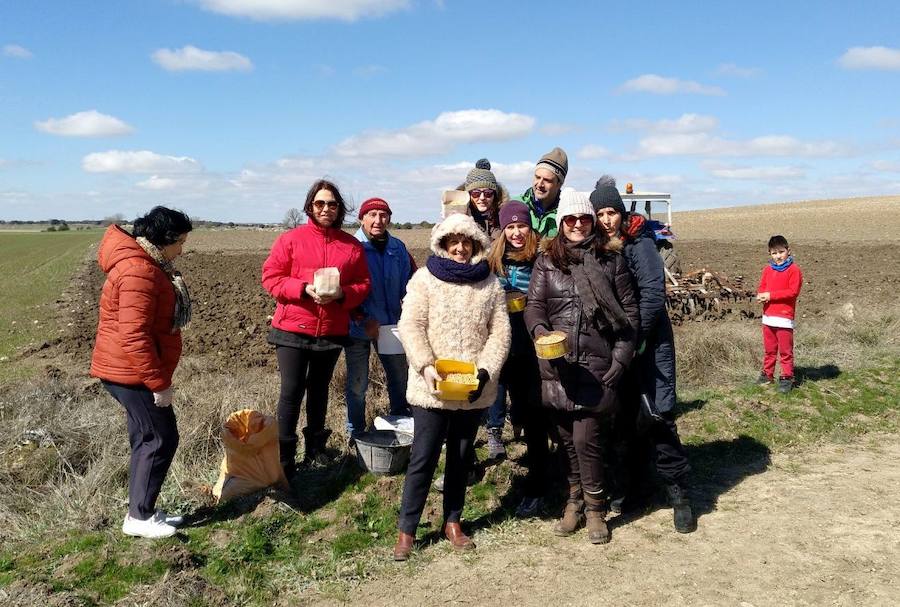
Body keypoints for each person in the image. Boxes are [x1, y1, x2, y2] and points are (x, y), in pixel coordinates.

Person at [392, 213, 511, 561]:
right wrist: (425, 366)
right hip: (431, 388)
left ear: (476, 245)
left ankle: (453, 522)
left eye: (467, 242)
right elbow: (410, 325)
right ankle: (407, 530)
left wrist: (485, 372)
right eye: (453, 242)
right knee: (423, 458)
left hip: (472, 388)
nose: (460, 248)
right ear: (443, 244)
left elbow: (500, 332)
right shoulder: (424, 280)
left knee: (460, 457)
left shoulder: (489, 283)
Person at [525, 188, 638, 544]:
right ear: (561, 224)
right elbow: (534, 305)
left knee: (586, 439)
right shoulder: (547, 261)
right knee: (566, 441)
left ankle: (595, 509)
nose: (576, 225)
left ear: (591, 222)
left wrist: (620, 361)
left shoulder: (610, 260)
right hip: (556, 367)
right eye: (570, 220)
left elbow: (630, 316)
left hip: (597, 366)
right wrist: (540, 331)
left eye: (583, 219)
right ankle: (573, 501)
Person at [592, 178, 696, 533]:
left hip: (650, 344)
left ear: (621, 213)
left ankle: (679, 493)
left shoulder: (640, 244)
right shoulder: (599, 248)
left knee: (658, 415)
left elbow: (653, 295)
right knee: (625, 420)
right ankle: (637, 487)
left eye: (612, 212)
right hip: (619, 347)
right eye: (601, 213)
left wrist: (635, 340)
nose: (607, 219)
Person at [90, 206, 193, 539]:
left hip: (125, 369)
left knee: (145, 438)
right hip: (130, 372)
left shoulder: (145, 265)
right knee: (161, 438)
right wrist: (159, 383)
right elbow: (133, 334)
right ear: (165, 240)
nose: (182, 249)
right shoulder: (140, 271)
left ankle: (142, 509)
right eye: (180, 241)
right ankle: (139, 517)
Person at [262, 179, 371, 478]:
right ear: (310, 206)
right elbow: (271, 277)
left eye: (332, 204)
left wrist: (342, 294)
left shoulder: (351, 246)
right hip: (293, 327)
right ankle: (284, 460)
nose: (326, 209)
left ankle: (315, 450)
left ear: (340, 209)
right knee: (292, 391)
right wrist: (303, 288)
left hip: (332, 329)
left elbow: (363, 284)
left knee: (320, 390)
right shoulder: (291, 240)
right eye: (320, 203)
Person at [486, 199, 551, 517]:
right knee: (518, 412)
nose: (516, 232)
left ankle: (541, 485)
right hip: (504, 349)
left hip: (533, 349)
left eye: (521, 225)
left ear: (530, 227)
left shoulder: (542, 258)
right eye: (510, 226)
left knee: (536, 418)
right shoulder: (494, 261)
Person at [344, 197, 415, 439]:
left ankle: (402, 426)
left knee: (399, 378)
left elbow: (413, 282)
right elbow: (341, 290)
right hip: (357, 328)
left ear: (389, 218)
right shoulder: (351, 247)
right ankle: (356, 434)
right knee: (357, 385)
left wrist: (409, 306)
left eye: (383, 215)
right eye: (372, 214)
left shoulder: (398, 248)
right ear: (361, 218)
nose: (378, 220)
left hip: (392, 326)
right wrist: (361, 317)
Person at [755, 234, 803, 394]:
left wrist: (770, 296)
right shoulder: (767, 270)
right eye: (774, 253)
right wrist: (761, 295)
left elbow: (792, 292)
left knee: (785, 351)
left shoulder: (794, 271)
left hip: (784, 318)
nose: (778, 256)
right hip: (768, 317)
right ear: (770, 254)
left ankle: (787, 377)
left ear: (788, 251)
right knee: (769, 350)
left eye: (781, 252)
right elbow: (762, 287)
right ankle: (767, 375)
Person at [515, 147, 569, 237]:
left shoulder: (565, 213)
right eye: (537, 177)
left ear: (559, 184)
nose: (540, 184)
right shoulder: (516, 205)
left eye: (547, 180)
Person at [458, 158, 508, 240]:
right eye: (476, 193)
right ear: (468, 195)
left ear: (495, 195)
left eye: (488, 193)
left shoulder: (504, 218)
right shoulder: (458, 220)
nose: (482, 198)